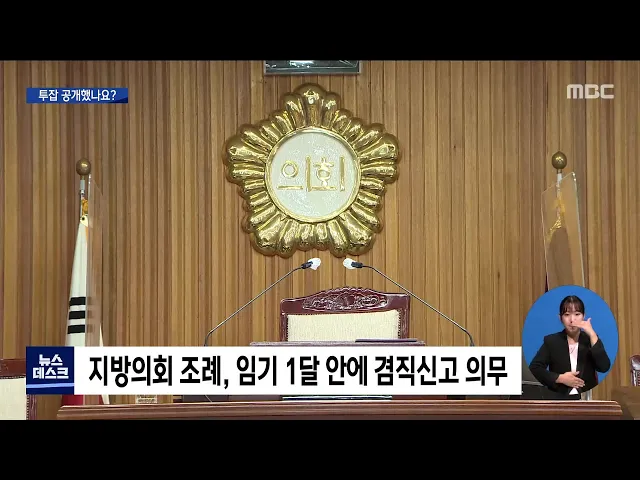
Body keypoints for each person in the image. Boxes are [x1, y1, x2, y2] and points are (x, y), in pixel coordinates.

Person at [529, 294, 611, 399]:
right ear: (560, 318)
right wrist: (560, 378)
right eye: (567, 314)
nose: (572, 320)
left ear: (583, 316)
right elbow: (535, 368)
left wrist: (592, 334)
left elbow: (604, 367)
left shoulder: (591, 339)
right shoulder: (552, 341)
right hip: (559, 399)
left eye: (577, 314)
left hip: (586, 399)